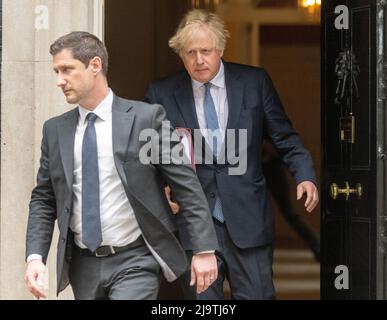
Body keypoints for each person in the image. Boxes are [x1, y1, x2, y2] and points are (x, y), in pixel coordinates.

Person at [24, 31, 218, 300]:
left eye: (67, 70)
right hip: (83, 265)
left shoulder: (146, 119)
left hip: (135, 260)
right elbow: (44, 199)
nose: (60, 81)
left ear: (94, 65)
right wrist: (35, 256)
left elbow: (185, 184)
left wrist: (204, 248)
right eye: (57, 71)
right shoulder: (55, 130)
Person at [145, 9, 319, 300]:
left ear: (221, 49)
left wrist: (304, 174)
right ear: (180, 54)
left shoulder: (254, 83)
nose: (199, 60)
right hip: (194, 225)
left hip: (248, 220)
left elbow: (284, 136)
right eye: (190, 53)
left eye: (206, 51)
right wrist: (160, 189)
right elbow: (150, 153)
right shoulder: (162, 92)